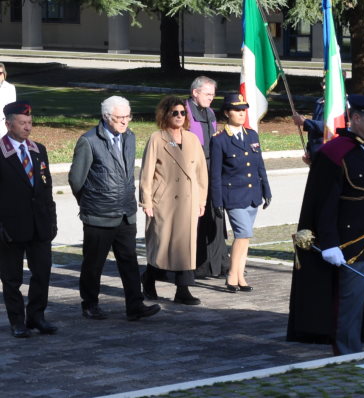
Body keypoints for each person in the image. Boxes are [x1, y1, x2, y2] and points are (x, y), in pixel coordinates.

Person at [287, 94, 364, 355]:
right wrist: (330, 244)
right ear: (356, 118)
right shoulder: (334, 153)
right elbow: (324, 203)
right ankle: (348, 352)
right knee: (351, 300)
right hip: (353, 240)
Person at [68, 96, 161, 321]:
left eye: (128, 116)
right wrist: (91, 202)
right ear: (107, 117)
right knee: (94, 264)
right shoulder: (89, 141)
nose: (125, 122)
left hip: (125, 213)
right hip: (99, 215)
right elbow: (76, 180)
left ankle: (135, 306)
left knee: (129, 261)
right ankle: (90, 304)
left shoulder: (129, 137)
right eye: (120, 118)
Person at [139, 96, 208, 305]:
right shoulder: (157, 138)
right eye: (175, 113)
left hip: (188, 201)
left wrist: (201, 200)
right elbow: (147, 172)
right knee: (161, 244)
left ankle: (183, 289)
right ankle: (148, 279)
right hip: (165, 201)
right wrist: (147, 202)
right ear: (165, 115)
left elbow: (200, 173)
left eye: (182, 113)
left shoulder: (193, 139)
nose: (179, 116)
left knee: (185, 246)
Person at [0, 101, 57, 337]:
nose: (27, 128)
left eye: (30, 123)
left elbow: (47, 188)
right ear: (8, 124)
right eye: (22, 123)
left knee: (42, 273)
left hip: (39, 225)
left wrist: (52, 220)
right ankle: (17, 321)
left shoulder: (38, 150)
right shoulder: (1, 153)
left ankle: (37, 316)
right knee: (12, 278)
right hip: (10, 228)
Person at [210, 94, 271, 292]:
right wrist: (217, 201)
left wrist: (266, 190)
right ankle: (231, 276)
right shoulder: (220, 140)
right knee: (242, 234)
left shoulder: (252, 135)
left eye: (244, 110)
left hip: (252, 194)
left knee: (245, 237)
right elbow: (216, 174)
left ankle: (240, 277)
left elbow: (259, 166)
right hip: (233, 196)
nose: (241, 113)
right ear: (227, 113)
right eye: (237, 110)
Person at [186, 76, 231, 279]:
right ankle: (198, 264)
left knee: (216, 216)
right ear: (195, 92)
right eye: (207, 94)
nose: (211, 98)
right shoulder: (183, 112)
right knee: (197, 218)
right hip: (193, 172)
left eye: (213, 95)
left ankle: (219, 263)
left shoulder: (211, 113)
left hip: (212, 170)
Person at [0, 63, 17, 138]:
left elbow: (12, 108)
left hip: (3, 124)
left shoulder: (10, 88)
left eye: (0, 73)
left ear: (4, 74)